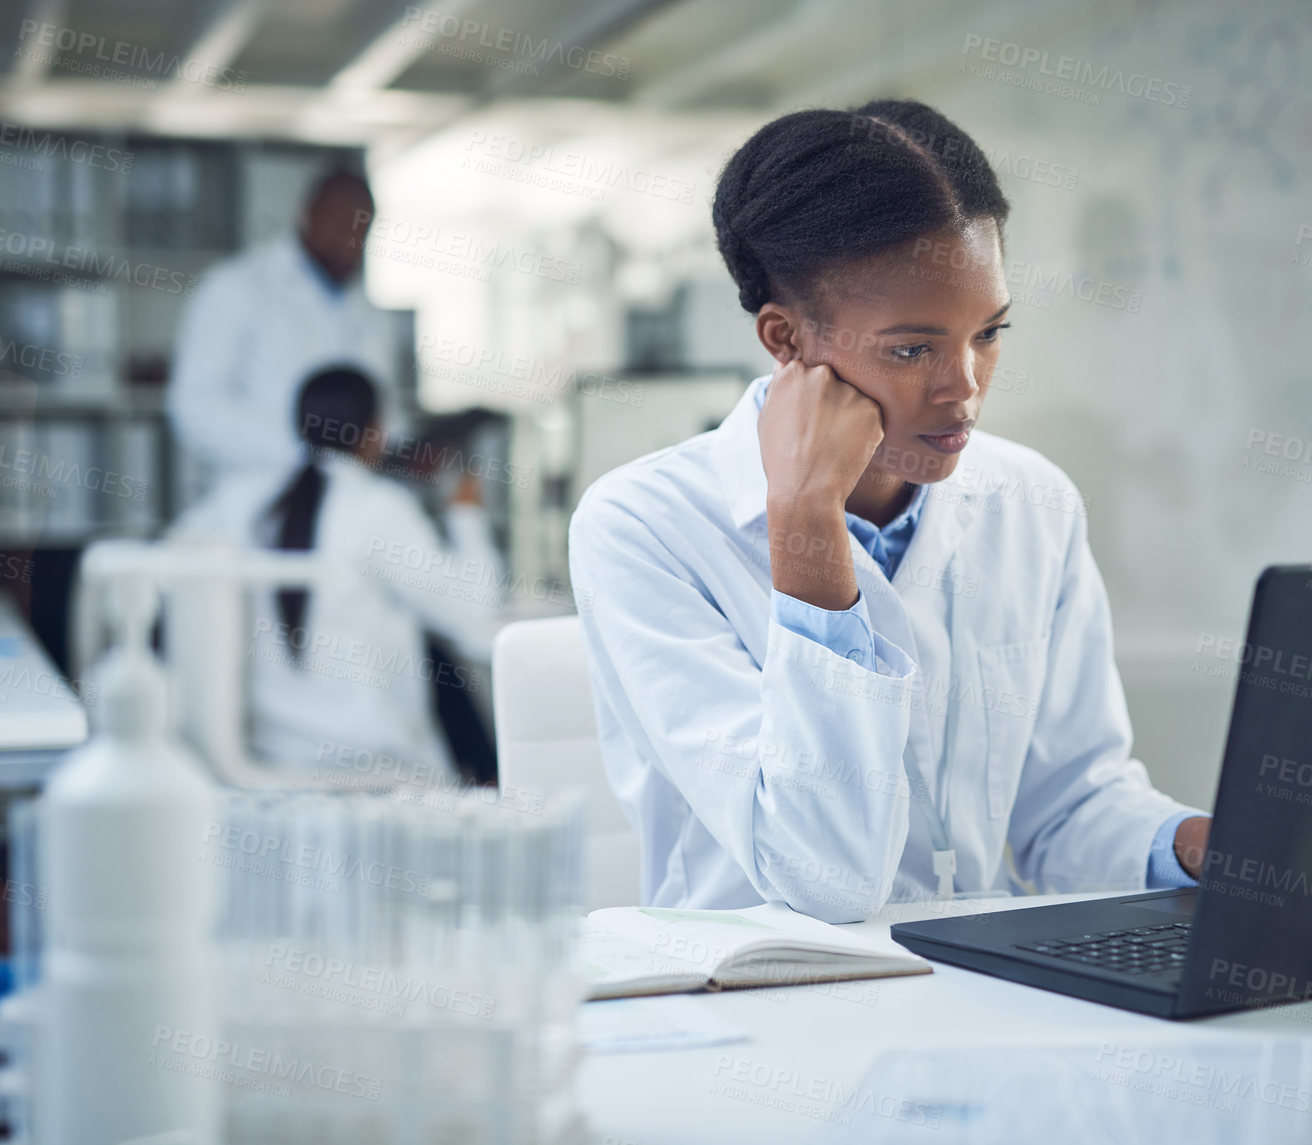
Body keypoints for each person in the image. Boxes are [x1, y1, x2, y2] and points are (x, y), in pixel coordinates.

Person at [571, 99, 1212, 923]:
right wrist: (805, 519)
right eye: (913, 349)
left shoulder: (1034, 504)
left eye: (989, 332)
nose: (965, 387)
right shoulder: (643, 527)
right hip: (757, 1008)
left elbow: (1065, 810)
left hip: (982, 996)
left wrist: (1202, 843)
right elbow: (822, 878)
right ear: (785, 339)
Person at [174, 367, 501, 782]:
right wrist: (466, 513)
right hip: (376, 774)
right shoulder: (379, 509)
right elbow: (471, 614)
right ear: (375, 432)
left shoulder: (239, 500)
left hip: (265, 764)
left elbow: (173, 559)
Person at [168, 169, 403, 491]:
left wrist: (402, 449)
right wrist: (306, 452)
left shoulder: (373, 314)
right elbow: (196, 407)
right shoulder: (236, 287)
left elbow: (382, 412)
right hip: (259, 496)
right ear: (306, 213)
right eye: (341, 222)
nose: (351, 238)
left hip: (347, 503)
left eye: (363, 227)